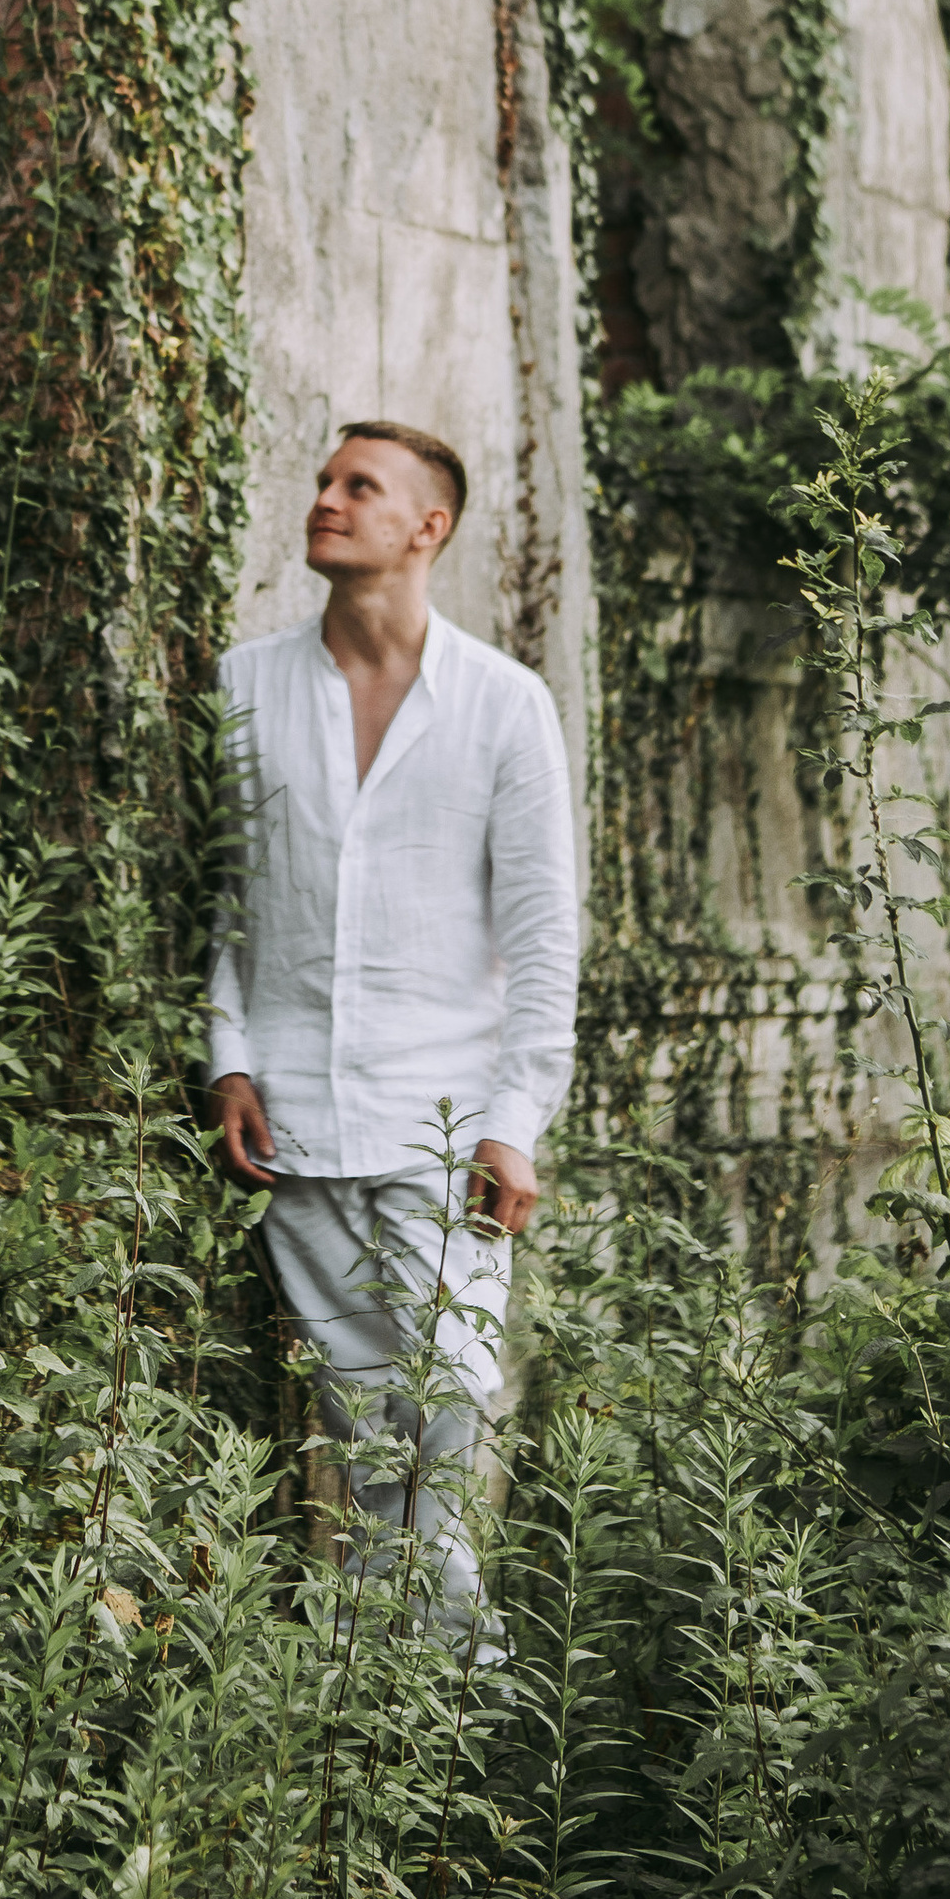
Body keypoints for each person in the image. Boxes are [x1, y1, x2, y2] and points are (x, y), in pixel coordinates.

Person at [208, 421, 580, 1653]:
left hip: (445, 1130)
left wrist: (513, 1126)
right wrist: (229, 1057)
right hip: (297, 1130)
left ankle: (449, 1695)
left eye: (355, 486)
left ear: (426, 527)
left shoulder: (504, 705)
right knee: (369, 1438)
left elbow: (541, 940)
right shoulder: (245, 686)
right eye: (321, 480)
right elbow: (227, 899)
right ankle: (405, 1726)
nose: (322, 499)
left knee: (446, 1416)